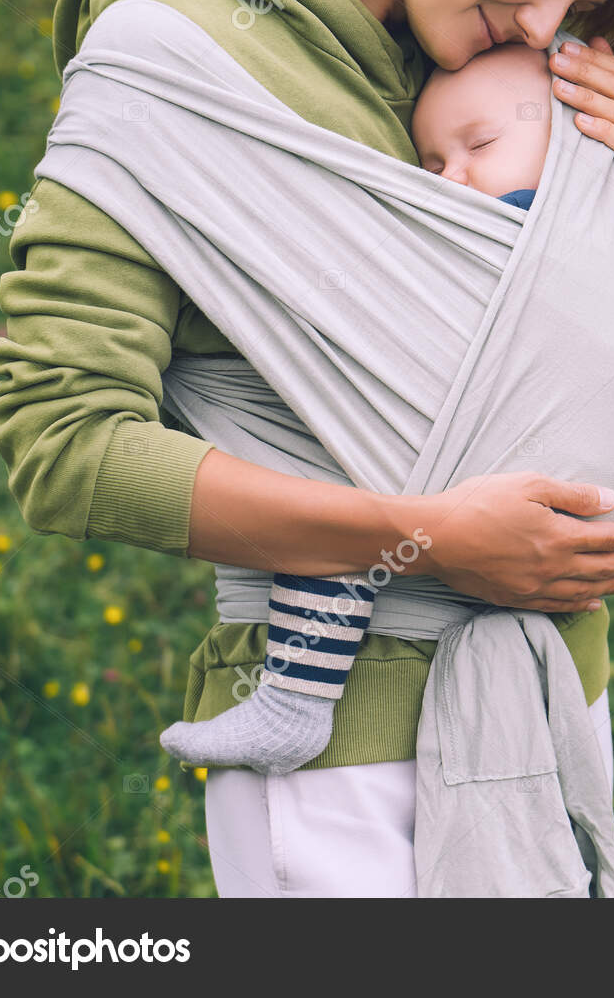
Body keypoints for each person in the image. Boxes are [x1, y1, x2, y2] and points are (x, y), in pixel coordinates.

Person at [0, 0, 614, 896]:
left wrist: (602, 212)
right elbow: (64, 446)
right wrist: (425, 539)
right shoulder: (179, 60)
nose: (542, 23)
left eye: (575, 9)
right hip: (341, 756)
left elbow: (519, 366)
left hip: (552, 709)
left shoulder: (482, 87)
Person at [157, 42, 564, 774]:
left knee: (333, 491)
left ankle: (293, 702)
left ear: (571, 142)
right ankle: (293, 703)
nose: (456, 178)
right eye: (433, 165)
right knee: (348, 490)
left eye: (481, 144)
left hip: (486, 437)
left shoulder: (530, 223)